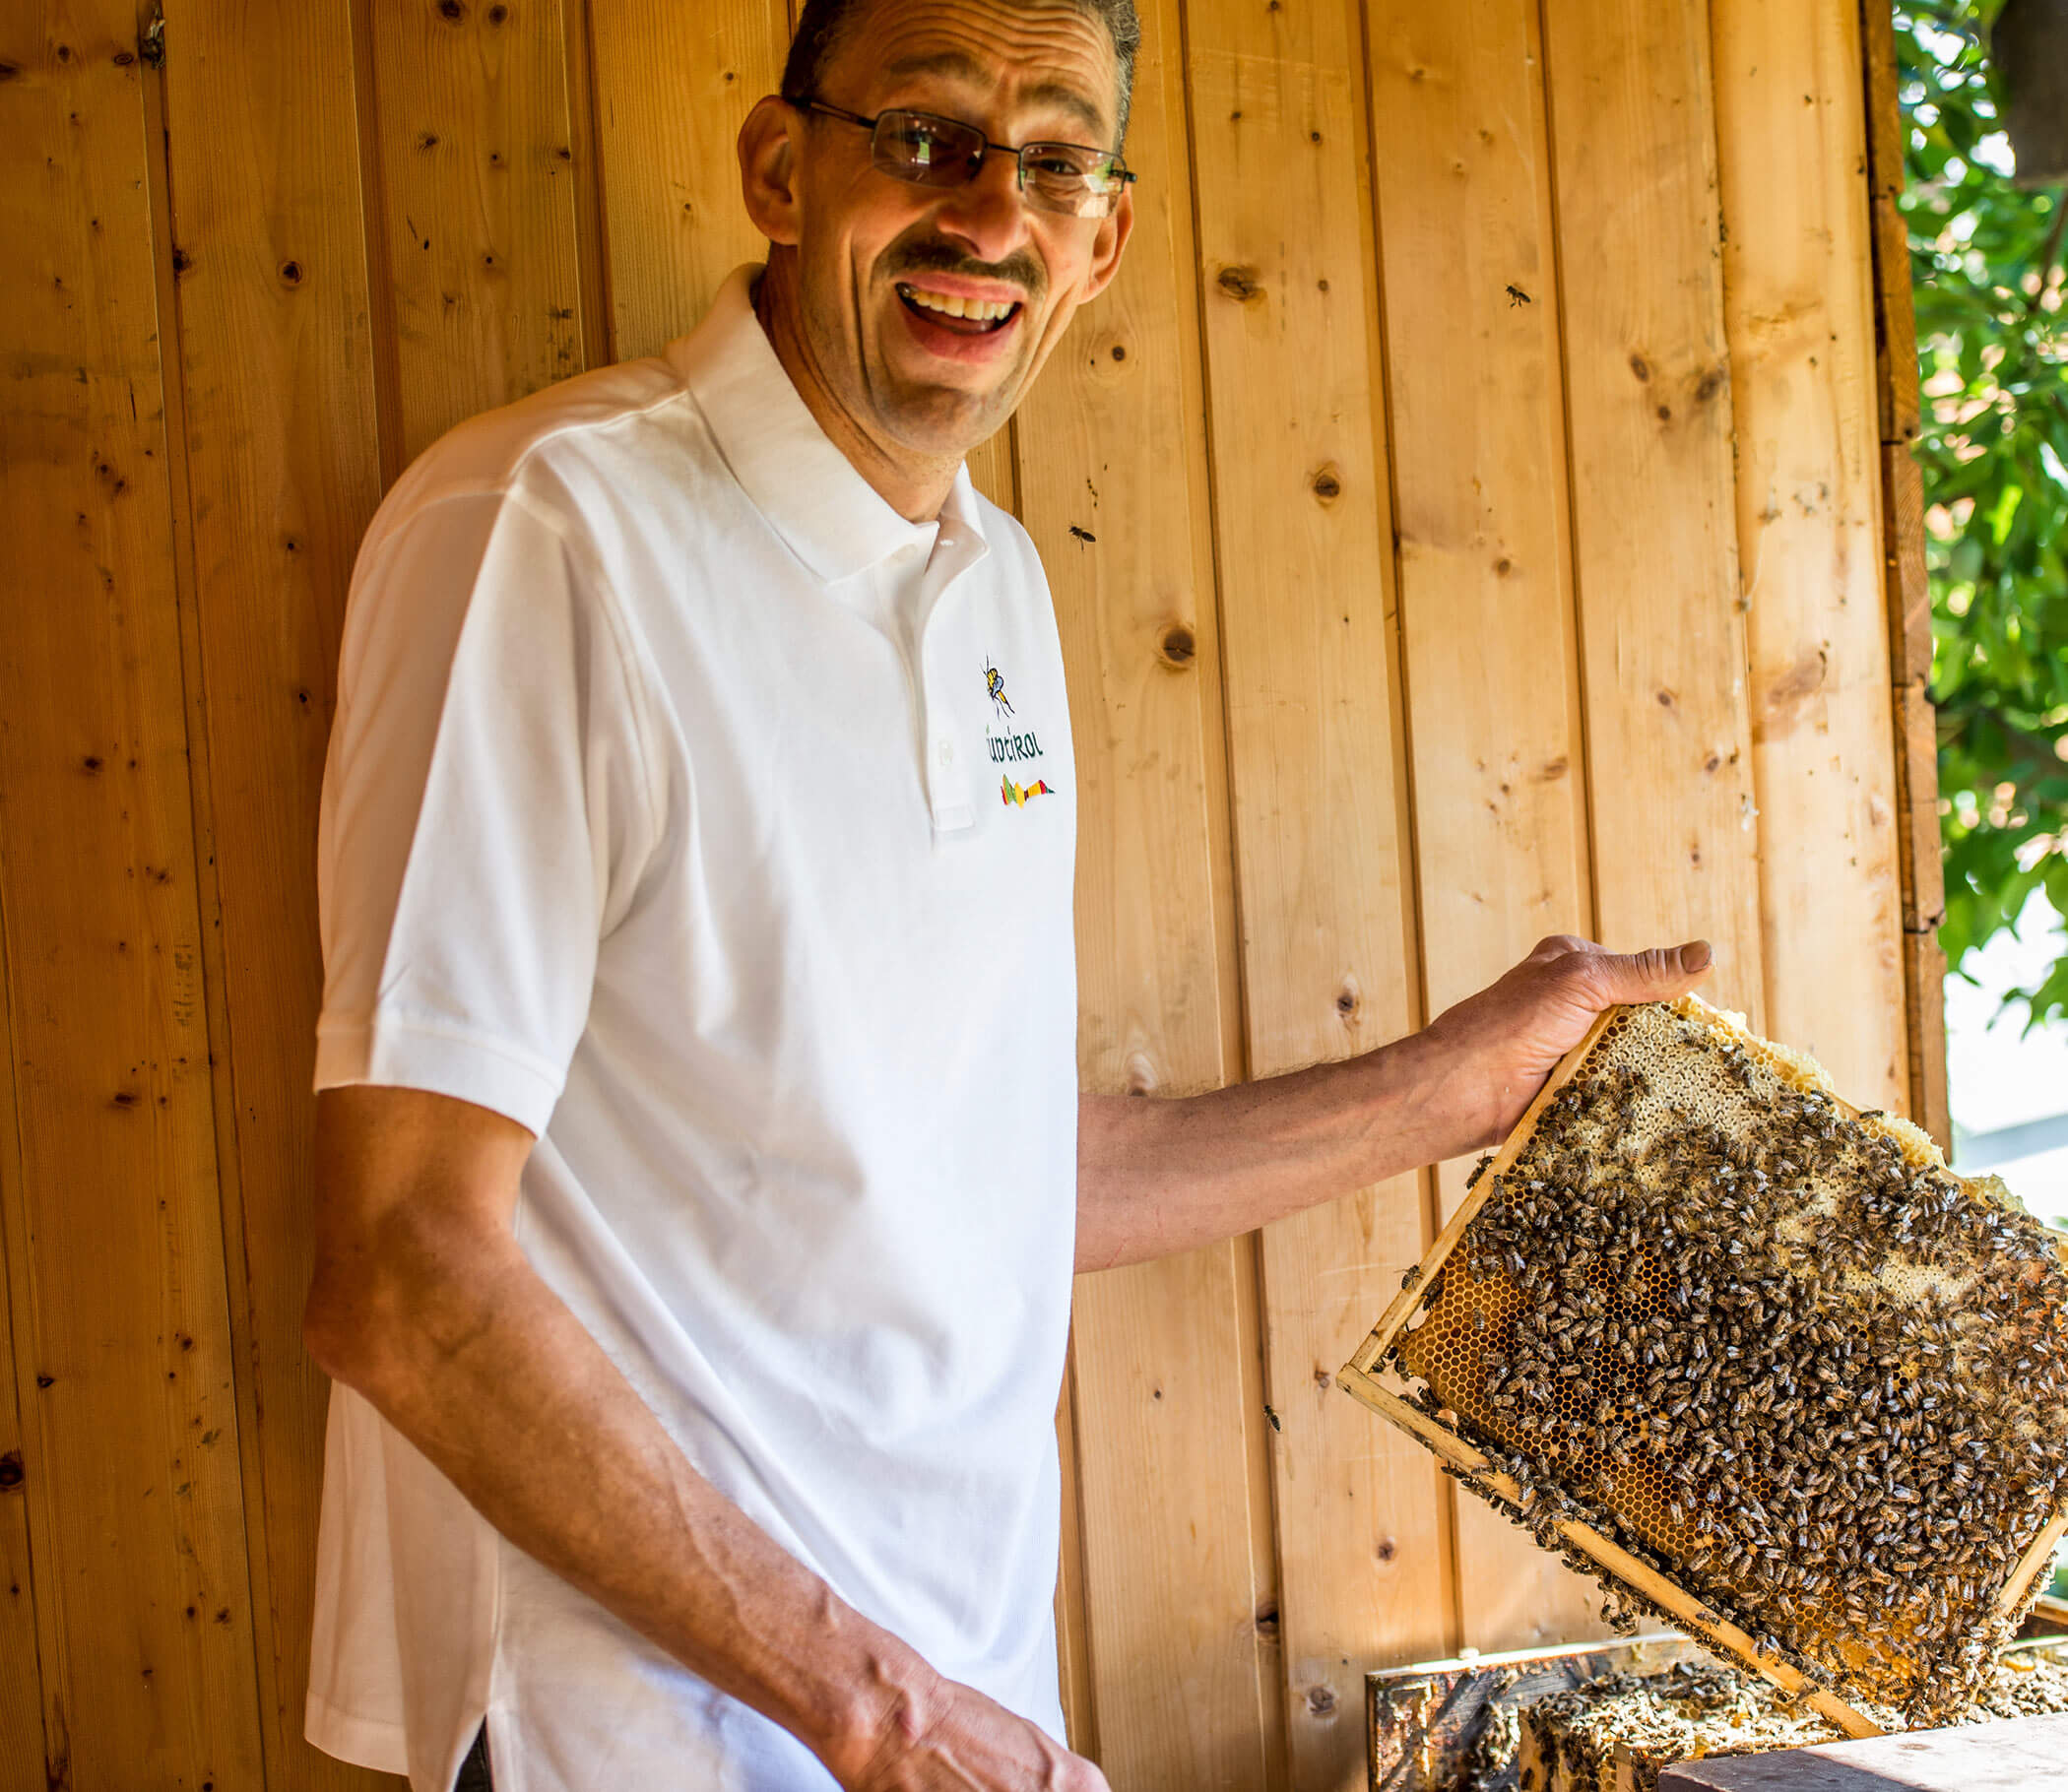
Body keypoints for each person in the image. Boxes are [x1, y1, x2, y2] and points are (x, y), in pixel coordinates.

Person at [299, 0, 1714, 1786]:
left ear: (1103, 239)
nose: (987, 213)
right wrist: (877, 1718)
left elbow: (987, 1177)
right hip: (640, 1735)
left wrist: (1460, 1083)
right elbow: (403, 1269)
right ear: (778, 170)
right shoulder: (544, 530)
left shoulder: (1001, 587)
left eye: (1052, 159)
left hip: (960, 1714)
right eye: (923, 136)